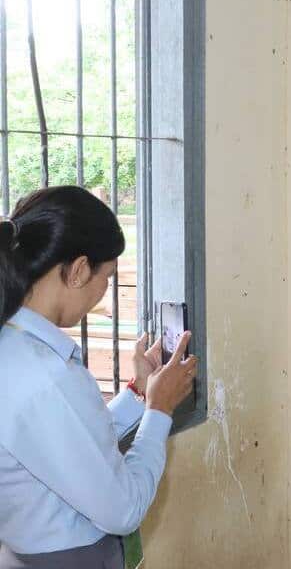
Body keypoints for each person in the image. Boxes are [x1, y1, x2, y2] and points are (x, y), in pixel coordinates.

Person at [0, 186, 198, 568]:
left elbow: (69, 444)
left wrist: (139, 393)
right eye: (105, 277)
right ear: (77, 270)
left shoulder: (16, 349)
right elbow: (123, 510)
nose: (103, 293)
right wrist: (159, 410)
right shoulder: (45, 374)